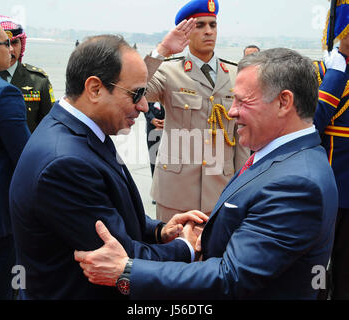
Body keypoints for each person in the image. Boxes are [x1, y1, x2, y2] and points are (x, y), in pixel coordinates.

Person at [75, 48, 339, 300]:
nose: (231, 111)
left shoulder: (297, 184)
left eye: (242, 100)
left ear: (284, 102)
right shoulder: (277, 157)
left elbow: (231, 277)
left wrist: (127, 270)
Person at [9, 34, 208, 300]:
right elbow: (121, 256)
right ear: (94, 89)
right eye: (136, 93)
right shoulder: (65, 164)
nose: (144, 106)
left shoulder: (79, 129)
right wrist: (187, 248)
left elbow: (111, 210)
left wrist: (160, 231)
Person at [144, 0, 250, 222]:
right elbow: (134, 92)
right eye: (200, 25)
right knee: (172, 254)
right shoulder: (169, 72)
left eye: (213, 25)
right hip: (175, 193)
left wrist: (242, 187)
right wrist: (163, 49)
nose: (209, 31)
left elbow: (240, 137)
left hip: (220, 192)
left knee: (216, 255)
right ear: (186, 31)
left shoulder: (233, 74)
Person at [0, 20, 30, 299]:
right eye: (5, 43)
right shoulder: (3, 92)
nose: (11, 50)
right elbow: (25, 157)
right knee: (5, 289)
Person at [314, 1, 349, 299]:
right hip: (325, 192)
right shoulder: (319, 72)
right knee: (315, 274)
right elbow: (310, 126)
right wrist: (335, 76)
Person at [0, 15, 55, 132]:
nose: (10, 49)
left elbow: (50, 124)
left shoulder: (38, 80)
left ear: (22, 45)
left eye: (15, 42)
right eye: (5, 43)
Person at [144, 101, 165, 177]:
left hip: (170, 128)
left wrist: (168, 120)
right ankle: (155, 183)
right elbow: (144, 105)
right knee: (154, 158)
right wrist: (152, 119)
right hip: (152, 128)